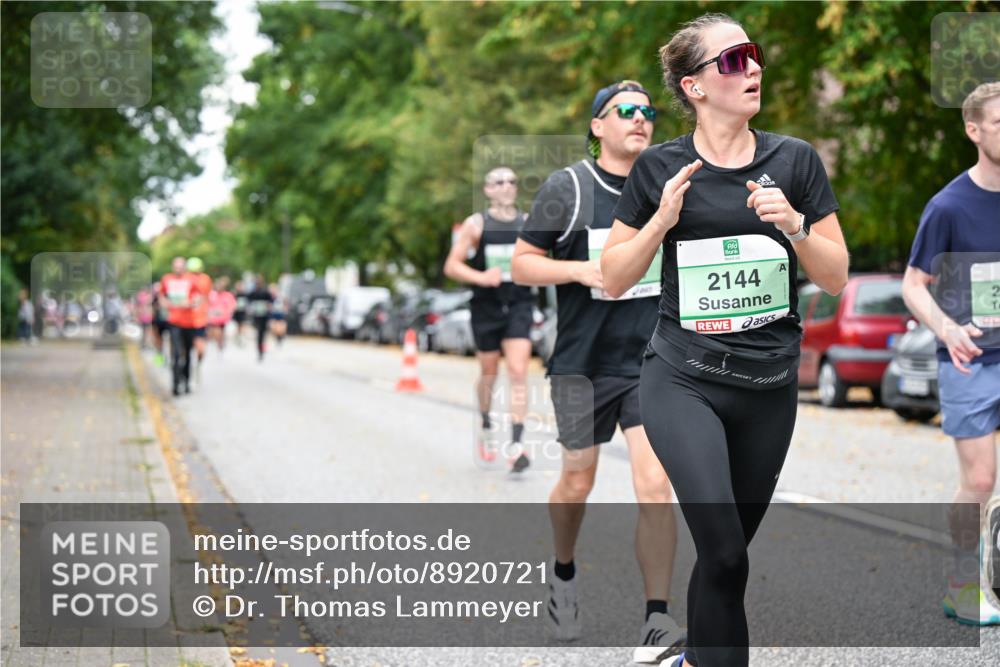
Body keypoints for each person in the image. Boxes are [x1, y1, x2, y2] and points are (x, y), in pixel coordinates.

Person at [599, 15, 849, 667]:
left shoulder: (794, 161)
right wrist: (660, 219)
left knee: (724, 560)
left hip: (768, 388)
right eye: (734, 60)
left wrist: (795, 225)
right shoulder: (660, 167)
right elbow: (615, 274)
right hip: (684, 380)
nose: (754, 68)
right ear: (696, 86)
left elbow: (836, 274)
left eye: (755, 55)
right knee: (726, 549)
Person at [511, 80, 684, 662]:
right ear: (597, 126)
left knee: (656, 486)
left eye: (647, 111)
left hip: (650, 361)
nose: (641, 119)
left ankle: (657, 621)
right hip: (582, 364)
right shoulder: (570, 188)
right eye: (626, 111)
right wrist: (584, 271)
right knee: (578, 480)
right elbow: (522, 263)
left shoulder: (667, 188)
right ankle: (562, 572)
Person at [901, 81, 1000, 626]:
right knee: (980, 482)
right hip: (972, 359)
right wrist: (946, 329)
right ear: (974, 130)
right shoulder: (948, 206)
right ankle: (964, 588)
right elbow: (915, 285)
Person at [444, 167, 535, 473]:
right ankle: (485, 423)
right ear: (487, 190)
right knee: (489, 372)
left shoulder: (527, 223)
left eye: (512, 181)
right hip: (486, 307)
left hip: (520, 303)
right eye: (499, 182)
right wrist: (482, 277)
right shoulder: (476, 225)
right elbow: (452, 266)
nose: (507, 186)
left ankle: (516, 444)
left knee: (519, 370)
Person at [159, 257, 198, 396]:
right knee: (175, 353)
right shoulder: (166, 279)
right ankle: (175, 385)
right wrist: (164, 302)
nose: (178, 269)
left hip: (189, 322)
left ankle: (186, 381)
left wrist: (191, 302)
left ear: (185, 268)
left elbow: (198, 298)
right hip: (174, 322)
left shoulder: (192, 280)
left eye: (181, 267)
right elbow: (162, 296)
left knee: (187, 354)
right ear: (172, 267)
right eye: (176, 267)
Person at [185, 257, 212, 385]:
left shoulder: (206, 279)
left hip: (200, 320)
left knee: (201, 349)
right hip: (185, 320)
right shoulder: (184, 279)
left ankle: (198, 365)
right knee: (185, 350)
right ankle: (184, 370)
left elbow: (207, 298)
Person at [246, 274, 273, 362]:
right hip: (256, 316)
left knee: (262, 334)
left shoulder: (265, 291)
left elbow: (271, 301)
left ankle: (262, 349)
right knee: (259, 334)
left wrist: (268, 306)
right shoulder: (253, 292)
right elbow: (248, 300)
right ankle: (260, 349)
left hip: (264, 316)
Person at [207, 276, 236, 353]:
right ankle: (218, 342)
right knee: (211, 333)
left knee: (218, 332)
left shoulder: (228, 295)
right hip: (212, 318)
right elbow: (207, 304)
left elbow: (231, 306)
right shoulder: (212, 294)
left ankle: (220, 343)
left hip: (222, 319)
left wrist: (224, 312)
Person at [232, 279, 249, 346]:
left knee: (242, 324)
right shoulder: (235, 294)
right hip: (237, 312)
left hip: (242, 312)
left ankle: (241, 337)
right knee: (238, 325)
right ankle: (238, 336)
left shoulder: (244, 294)